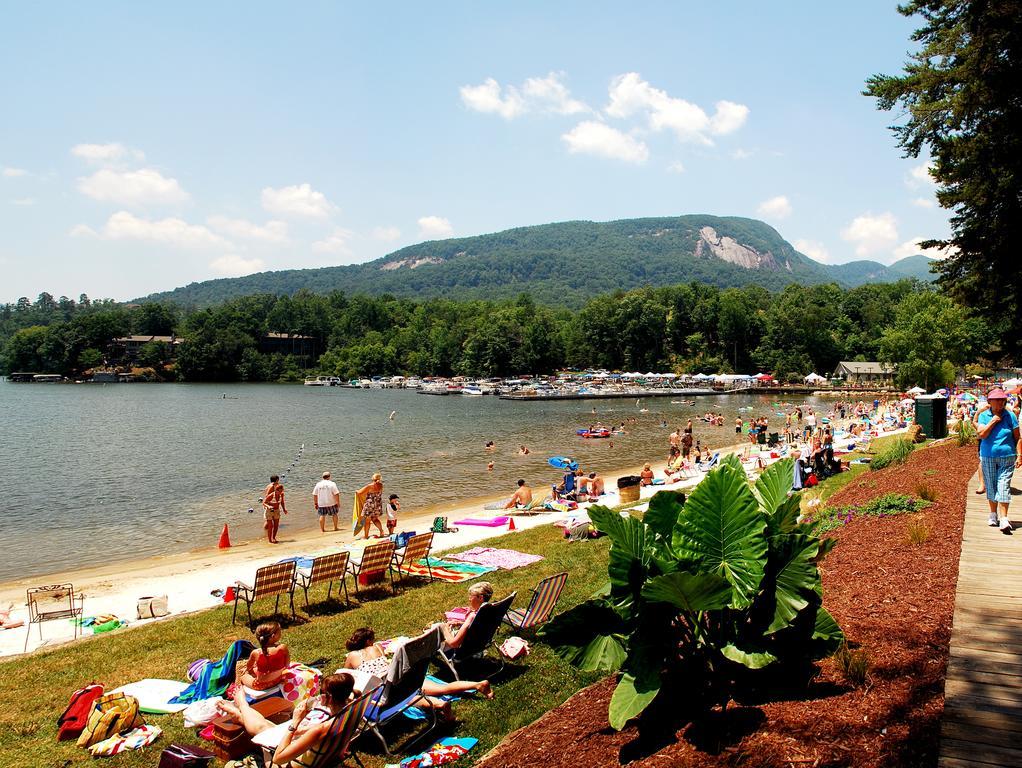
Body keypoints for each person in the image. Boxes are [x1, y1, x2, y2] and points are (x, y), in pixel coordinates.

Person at [217, 673, 355, 768]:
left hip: (289, 764)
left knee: (263, 730)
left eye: (321, 693)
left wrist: (295, 722)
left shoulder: (321, 730)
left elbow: (279, 758)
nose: (319, 697)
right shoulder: (352, 708)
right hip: (327, 755)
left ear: (329, 697)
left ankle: (241, 706)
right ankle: (241, 714)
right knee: (265, 728)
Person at [343, 627, 492, 707]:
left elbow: (346, 675)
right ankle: (477, 684)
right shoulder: (377, 647)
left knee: (407, 699)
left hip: (385, 687)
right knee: (441, 688)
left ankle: (440, 705)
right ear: (369, 641)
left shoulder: (352, 657)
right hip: (402, 675)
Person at [976, 388, 1021, 531]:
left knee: (1003, 486)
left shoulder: (1010, 416)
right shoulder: (984, 416)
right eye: (997, 400)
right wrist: (993, 421)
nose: (1000, 402)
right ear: (990, 401)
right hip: (988, 456)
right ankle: (993, 514)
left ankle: (1004, 518)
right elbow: (982, 434)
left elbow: (1017, 437)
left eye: (1002, 400)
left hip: (1007, 457)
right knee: (991, 485)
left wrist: (1019, 455)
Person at [237, 621, 290, 691]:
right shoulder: (283, 648)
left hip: (260, 686)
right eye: (280, 632)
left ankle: (238, 691)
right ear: (273, 636)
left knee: (242, 674)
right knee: (257, 670)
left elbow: (249, 667)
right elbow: (287, 664)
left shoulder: (256, 653)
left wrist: (251, 671)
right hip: (278, 679)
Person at [355, 473, 385, 539]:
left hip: (370, 505)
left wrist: (356, 491)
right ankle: (381, 531)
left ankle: (366, 536)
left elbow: (359, 492)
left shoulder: (369, 486)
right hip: (377, 504)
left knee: (367, 521)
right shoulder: (381, 485)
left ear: (372, 479)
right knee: (375, 519)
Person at [262, 475, 288, 544]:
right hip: (269, 507)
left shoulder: (277, 491)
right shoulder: (271, 487)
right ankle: (268, 537)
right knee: (270, 524)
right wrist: (267, 506)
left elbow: (282, 502)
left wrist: (284, 509)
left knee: (273, 525)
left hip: (276, 509)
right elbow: (266, 497)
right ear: (276, 480)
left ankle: (269, 535)